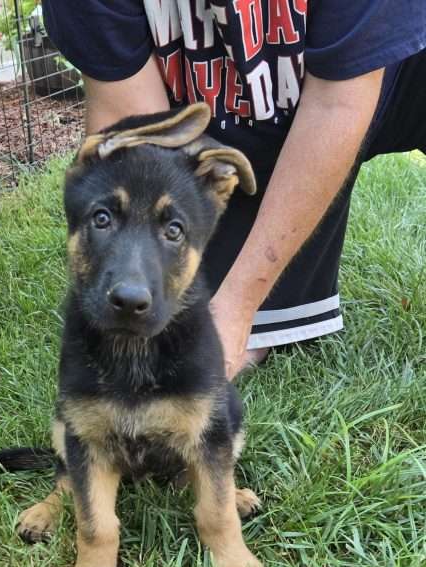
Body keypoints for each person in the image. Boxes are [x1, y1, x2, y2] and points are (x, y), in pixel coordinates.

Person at [41, 0, 426, 379]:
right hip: (213, 117)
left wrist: (238, 306)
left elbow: (336, 104)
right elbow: (137, 131)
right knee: (183, 325)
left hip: (381, 78)